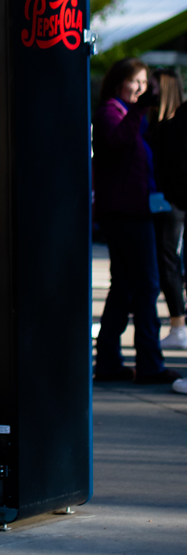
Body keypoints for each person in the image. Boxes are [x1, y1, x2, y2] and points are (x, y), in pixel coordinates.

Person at [93, 60, 173, 385]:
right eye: (133, 82)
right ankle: (149, 364)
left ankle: (110, 362)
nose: (139, 89)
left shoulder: (131, 115)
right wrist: (139, 110)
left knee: (124, 288)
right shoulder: (111, 112)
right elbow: (116, 142)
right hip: (126, 215)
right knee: (147, 286)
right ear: (117, 84)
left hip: (132, 213)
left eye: (143, 82)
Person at [146, 70, 187, 354]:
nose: (149, 91)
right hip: (170, 200)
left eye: (152, 86)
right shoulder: (167, 124)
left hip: (170, 201)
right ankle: (178, 325)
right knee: (170, 261)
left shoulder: (169, 126)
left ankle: (178, 325)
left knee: (167, 260)